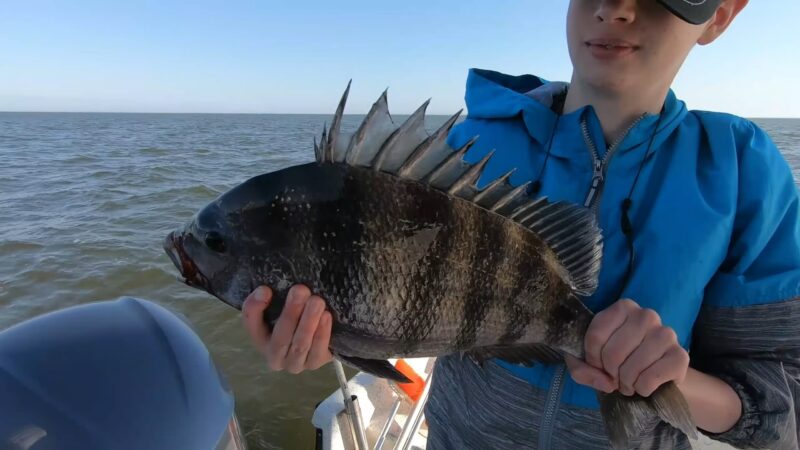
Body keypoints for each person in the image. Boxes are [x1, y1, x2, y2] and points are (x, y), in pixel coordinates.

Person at [240, 0, 800, 448]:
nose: (616, 7)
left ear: (721, 13)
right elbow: (400, 303)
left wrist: (672, 382)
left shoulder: (742, 173)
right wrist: (329, 337)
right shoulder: (461, 155)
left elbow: (783, 407)